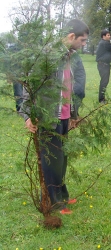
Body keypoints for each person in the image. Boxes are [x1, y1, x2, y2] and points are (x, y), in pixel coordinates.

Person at [21, 19, 89, 214]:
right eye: (82, 40)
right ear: (71, 37)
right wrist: (28, 115)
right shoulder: (47, 56)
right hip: (49, 117)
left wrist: (74, 114)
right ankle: (53, 202)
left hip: (64, 115)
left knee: (62, 157)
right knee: (51, 159)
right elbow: (30, 87)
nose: (84, 44)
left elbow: (70, 87)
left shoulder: (70, 56)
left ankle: (62, 194)